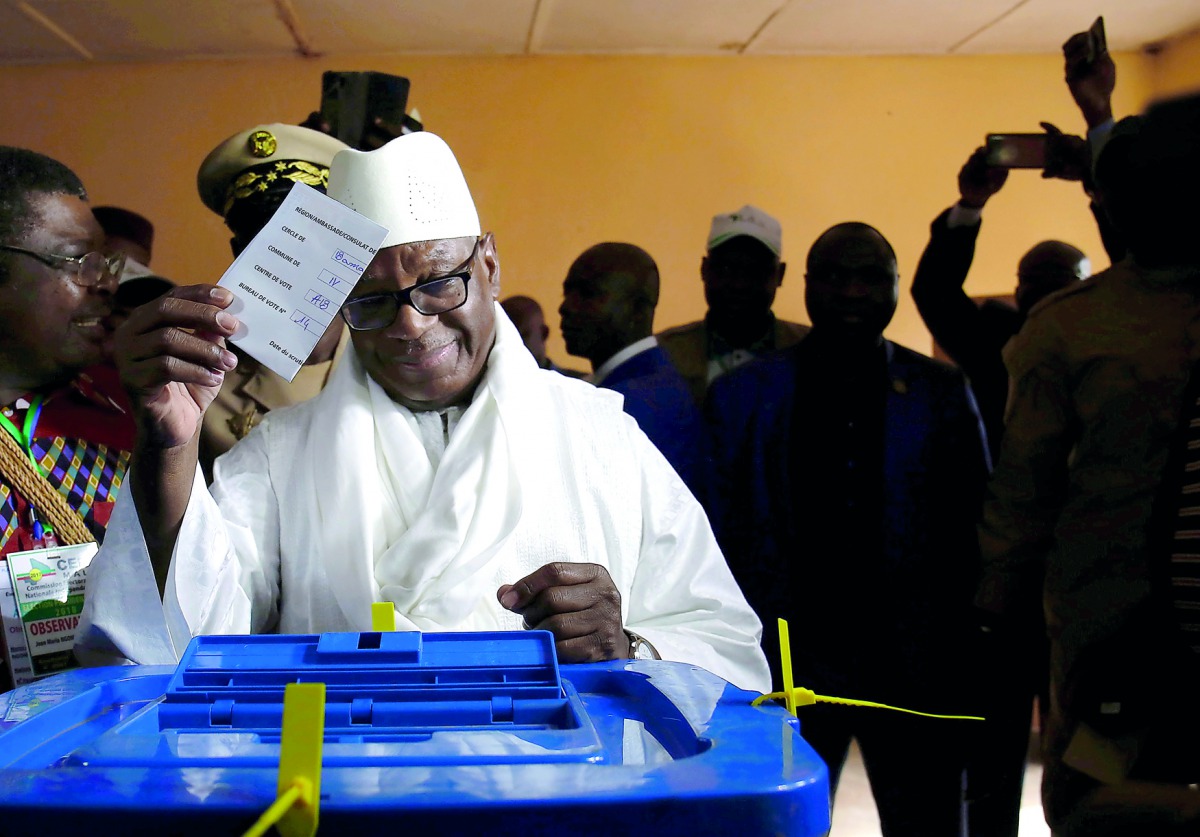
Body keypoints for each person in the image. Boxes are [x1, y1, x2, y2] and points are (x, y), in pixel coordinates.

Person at [77, 132, 770, 694]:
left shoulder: (603, 440)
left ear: (490, 265)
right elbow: (175, 654)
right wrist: (168, 442)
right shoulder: (279, 455)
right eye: (371, 301)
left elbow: (731, 652)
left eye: (438, 283)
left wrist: (630, 646)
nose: (410, 326)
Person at [708, 222, 990, 835]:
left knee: (928, 818)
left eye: (871, 277)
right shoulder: (746, 393)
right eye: (835, 276)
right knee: (779, 821)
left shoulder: (940, 392)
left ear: (895, 286)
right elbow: (723, 529)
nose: (853, 292)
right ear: (805, 285)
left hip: (915, 655)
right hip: (789, 653)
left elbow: (976, 523)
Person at [978, 91, 1200, 835]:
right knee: (1104, 809)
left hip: (1110, 623)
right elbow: (1023, 501)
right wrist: (1000, 610)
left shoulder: (1079, 324)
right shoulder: (1073, 327)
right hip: (1118, 634)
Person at [0, 148, 134, 690]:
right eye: (79, 262)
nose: (105, 284)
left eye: (107, 264)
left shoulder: (137, 418)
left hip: (103, 744)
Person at [194, 123, 353, 479]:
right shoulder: (210, 380)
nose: (286, 252)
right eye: (263, 239)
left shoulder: (394, 351)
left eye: (303, 231)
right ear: (239, 254)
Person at [911, 147, 1088, 458]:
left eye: (1058, 281)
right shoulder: (995, 342)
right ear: (1019, 292)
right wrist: (970, 204)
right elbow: (935, 290)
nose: (1047, 295)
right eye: (1037, 281)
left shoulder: (1113, 336)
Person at [559, 242, 707, 501]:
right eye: (568, 292)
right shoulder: (652, 383)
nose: (566, 307)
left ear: (638, 309)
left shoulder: (631, 404)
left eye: (587, 294)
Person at [657, 205, 808, 404]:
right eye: (727, 268)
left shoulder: (810, 353)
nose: (739, 284)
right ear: (704, 269)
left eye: (755, 271)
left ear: (780, 274)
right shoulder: (665, 354)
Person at [500, 294, 586, 378]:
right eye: (501, 337)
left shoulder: (581, 387)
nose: (511, 345)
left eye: (522, 336)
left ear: (544, 334)